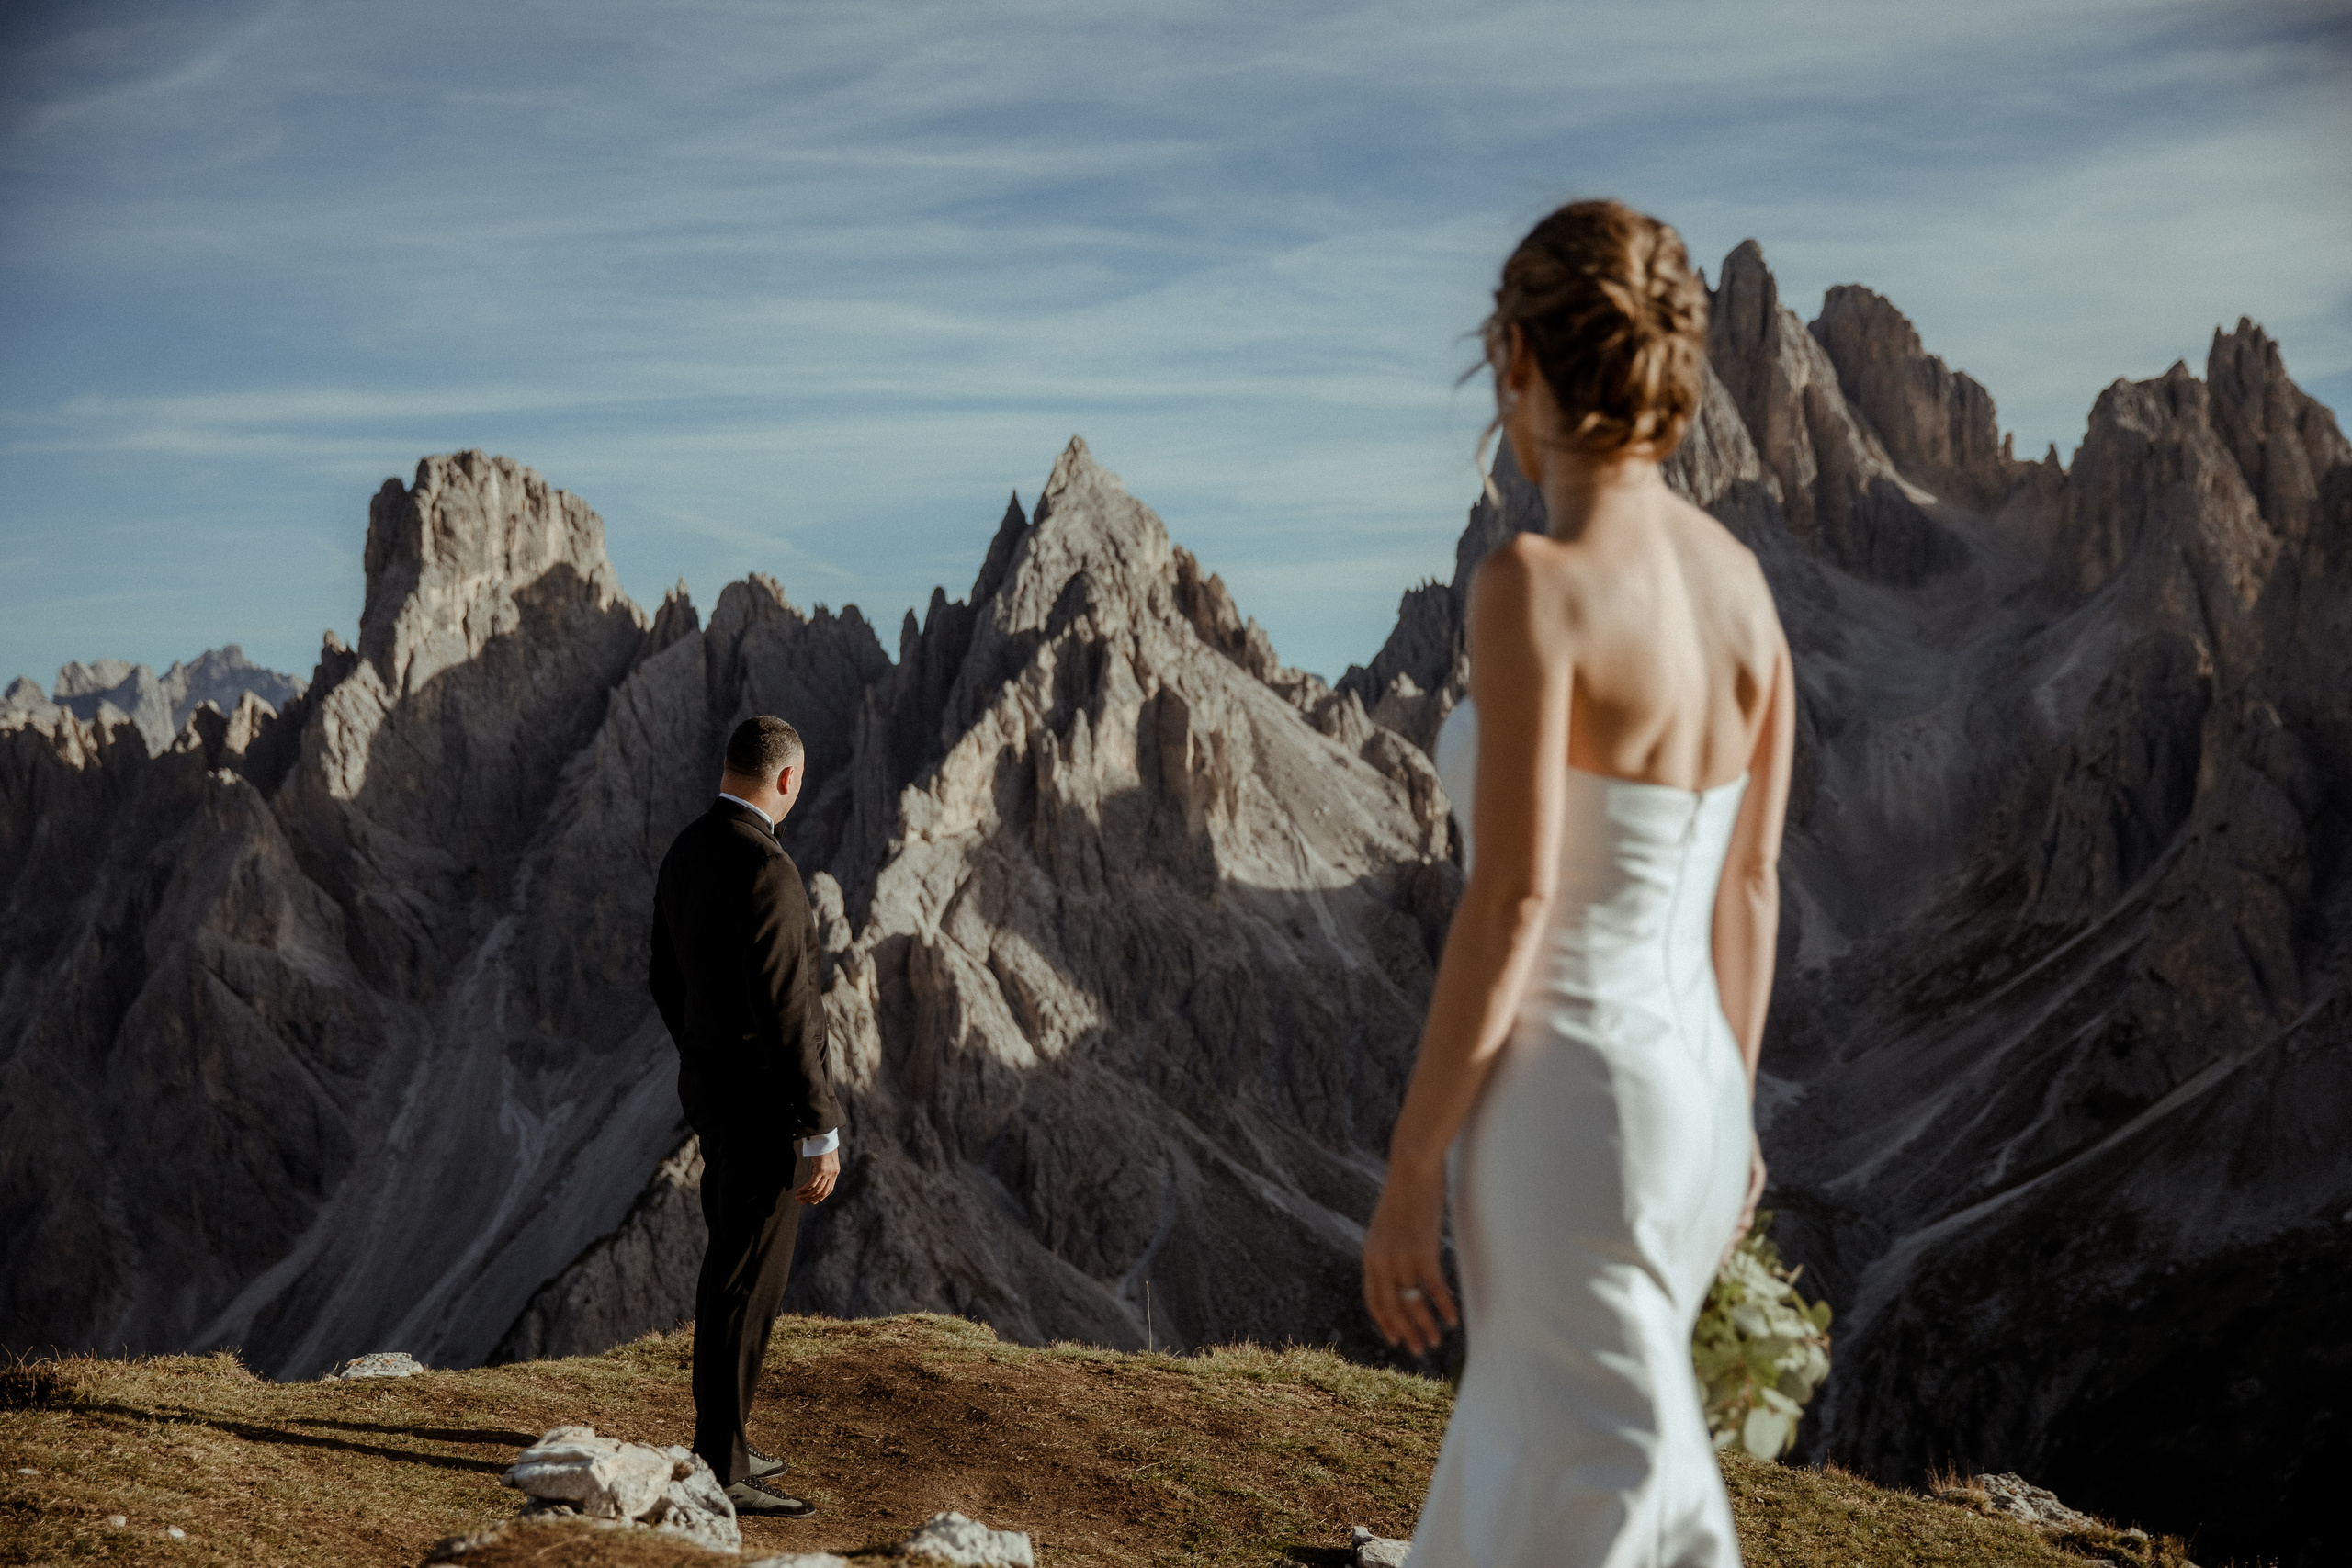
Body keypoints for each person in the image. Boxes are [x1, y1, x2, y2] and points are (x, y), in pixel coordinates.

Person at [1361, 199, 1794, 1567]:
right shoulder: (1743, 591)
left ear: (1515, 357)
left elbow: (1515, 900)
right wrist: (1732, 1103)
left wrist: (1416, 1158)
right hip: (1697, 1106)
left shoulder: (1533, 584)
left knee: (1609, 1495)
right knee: (1563, 1466)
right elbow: (1753, 886)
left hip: (1564, 1115)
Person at [650, 715, 844, 1520]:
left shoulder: (687, 850)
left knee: (737, 1268)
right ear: (788, 779)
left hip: (714, 1092)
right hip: (765, 1106)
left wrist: (705, 1056)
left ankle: (723, 1435)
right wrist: (817, 1122)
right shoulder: (769, 868)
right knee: (744, 1277)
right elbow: (787, 1010)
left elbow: (665, 979)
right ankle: (721, 1463)